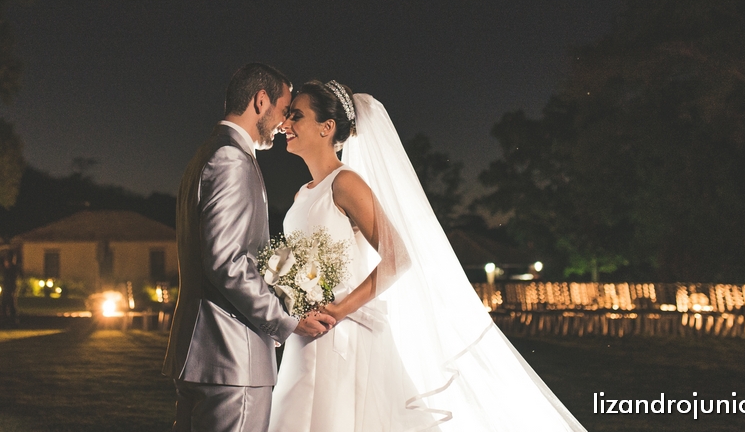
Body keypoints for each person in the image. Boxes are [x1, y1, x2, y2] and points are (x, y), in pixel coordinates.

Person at [268, 81, 586, 432]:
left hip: (340, 332)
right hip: (305, 330)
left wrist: (339, 310)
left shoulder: (345, 183)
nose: (285, 124)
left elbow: (397, 258)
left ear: (327, 127)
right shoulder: (302, 193)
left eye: (296, 116)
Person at [164, 63, 335, 432]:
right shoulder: (231, 159)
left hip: (200, 352)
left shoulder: (206, 154)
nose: (284, 123)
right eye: (283, 110)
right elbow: (226, 261)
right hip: (231, 356)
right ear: (261, 101)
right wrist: (286, 319)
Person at [0, 250, 20, 325]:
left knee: (11, 306)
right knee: (5, 306)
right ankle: (6, 321)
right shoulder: (7, 269)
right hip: (6, 289)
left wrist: (13, 290)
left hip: (10, 289)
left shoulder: (13, 269)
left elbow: (13, 280)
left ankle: (12, 322)